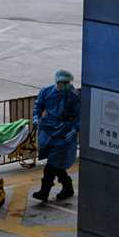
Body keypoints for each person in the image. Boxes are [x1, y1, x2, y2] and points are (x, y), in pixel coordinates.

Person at [33, 69, 81, 202]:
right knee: (56, 163)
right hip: (48, 131)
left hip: (64, 134)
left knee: (51, 165)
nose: (63, 85)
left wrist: (75, 129)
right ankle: (68, 187)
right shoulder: (46, 92)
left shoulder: (74, 96)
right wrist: (36, 117)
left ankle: (44, 191)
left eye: (66, 82)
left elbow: (80, 115)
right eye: (60, 82)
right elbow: (38, 106)